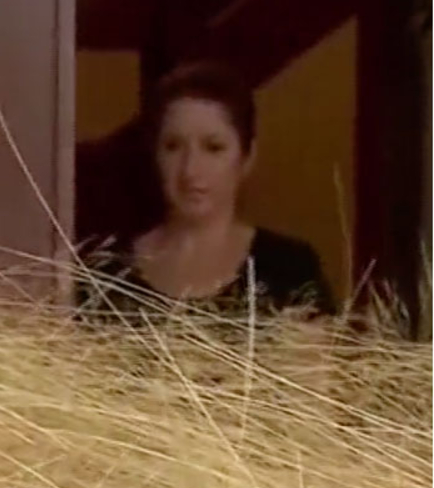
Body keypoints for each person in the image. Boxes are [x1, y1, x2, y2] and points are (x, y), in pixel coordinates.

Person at [79, 61, 334, 319]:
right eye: (173, 147)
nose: (190, 170)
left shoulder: (289, 270)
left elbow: (313, 356)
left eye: (213, 148)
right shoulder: (107, 272)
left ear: (246, 156)